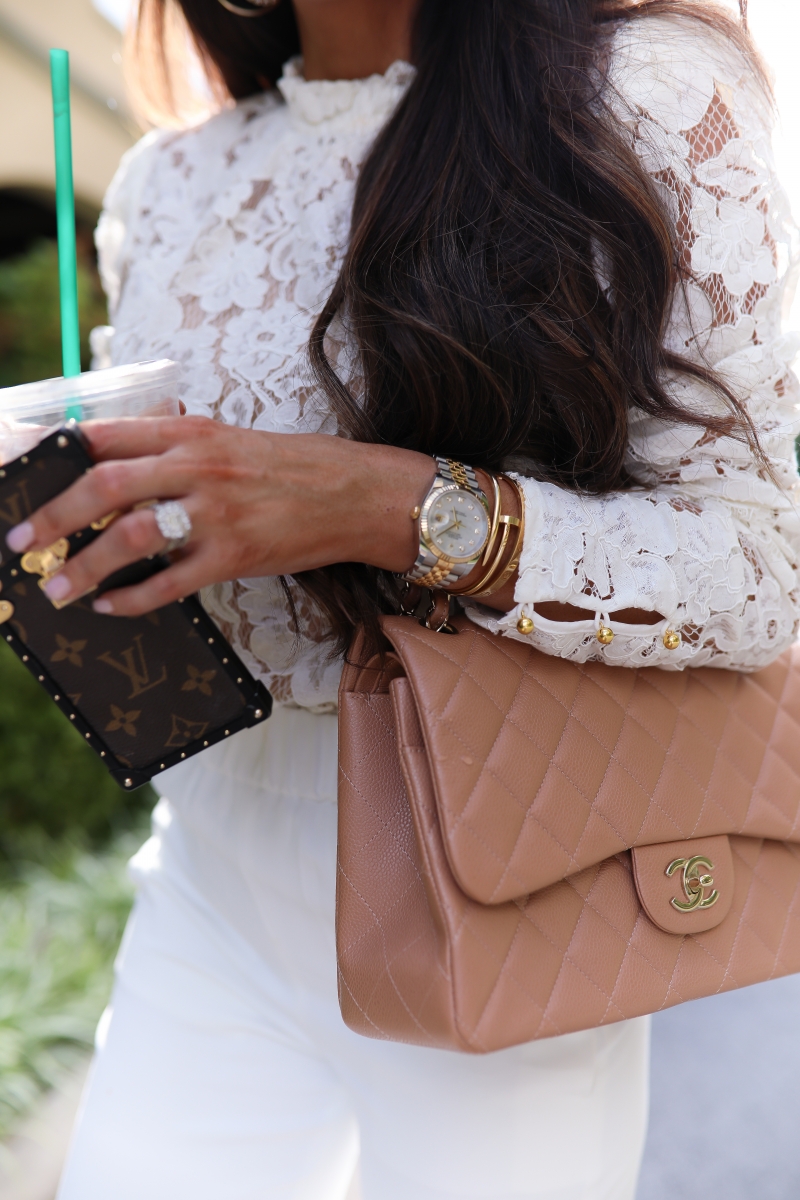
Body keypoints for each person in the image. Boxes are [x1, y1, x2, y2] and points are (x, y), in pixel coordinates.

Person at [7, 0, 799, 1196]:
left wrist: (380, 505)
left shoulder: (638, 94)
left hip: (501, 857)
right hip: (211, 868)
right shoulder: (174, 176)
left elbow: (756, 575)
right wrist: (62, 547)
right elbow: (162, 563)